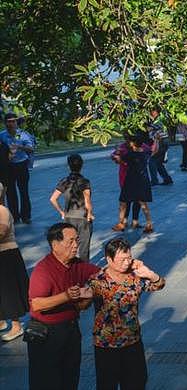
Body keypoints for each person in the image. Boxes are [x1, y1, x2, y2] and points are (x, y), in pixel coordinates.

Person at [84, 238, 164, 389]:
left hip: (132, 341)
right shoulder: (97, 280)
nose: (127, 262)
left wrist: (149, 273)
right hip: (106, 345)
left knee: (137, 382)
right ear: (109, 259)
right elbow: (83, 304)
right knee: (107, 385)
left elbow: (159, 284)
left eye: (129, 258)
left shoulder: (135, 277)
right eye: (122, 259)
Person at [27, 222, 100, 389]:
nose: (76, 245)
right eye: (71, 241)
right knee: (47, 381)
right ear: (55, 244)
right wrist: (66, 296)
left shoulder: (77, 264)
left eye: (77, 240)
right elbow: (37, 304)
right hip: (47, 334)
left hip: (71, 330)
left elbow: (101, 275)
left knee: (70, 377)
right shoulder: (43, 269)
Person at [49, 154, 94, 262]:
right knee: (84, 248)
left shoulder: (64, 181)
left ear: (68, 166)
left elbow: (53, 199)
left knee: (69, 246)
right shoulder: (84, 181)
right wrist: (89, 214)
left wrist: (62, 212)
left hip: (69, 218)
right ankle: (84, 271)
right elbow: (87, 201)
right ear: (81, 166)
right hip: (82, 217)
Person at [0, 183, 29, 342]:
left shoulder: (2, 211)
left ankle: (17, 326)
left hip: (7, 255)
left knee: (10, 292)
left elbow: (1, 232)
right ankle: (2, 321)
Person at [112, 135, 154, 233]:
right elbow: (152, 151)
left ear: (133, 143)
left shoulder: (130, 154)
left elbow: (120, 161)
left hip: (130, 181)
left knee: (123, 202)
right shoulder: (144, 153)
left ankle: (121, 223)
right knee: (143, 203)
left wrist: (118, 154)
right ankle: (149, 224)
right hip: (142, 180)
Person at [0, 113, 35, 223]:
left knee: (23, 191)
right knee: (11, 193)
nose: (11, 124)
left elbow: (31, 149)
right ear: (5, 123)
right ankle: (14, 216)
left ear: (16, 122)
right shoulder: (2, 135)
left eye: (13, 121)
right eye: (8, 121)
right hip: (8, 167)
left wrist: (19, 146)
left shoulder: (23, 134)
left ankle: (26, 216)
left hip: (21, 164)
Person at [111, 137, 142, 229]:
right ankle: (124, 221)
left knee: (136, 201)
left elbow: (150, 150)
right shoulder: (123, 148)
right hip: (126, 178)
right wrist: (120, 159)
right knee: (127, 201)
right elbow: (114, 156)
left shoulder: (139, 147)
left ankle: (134, 221)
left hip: (137, 178)